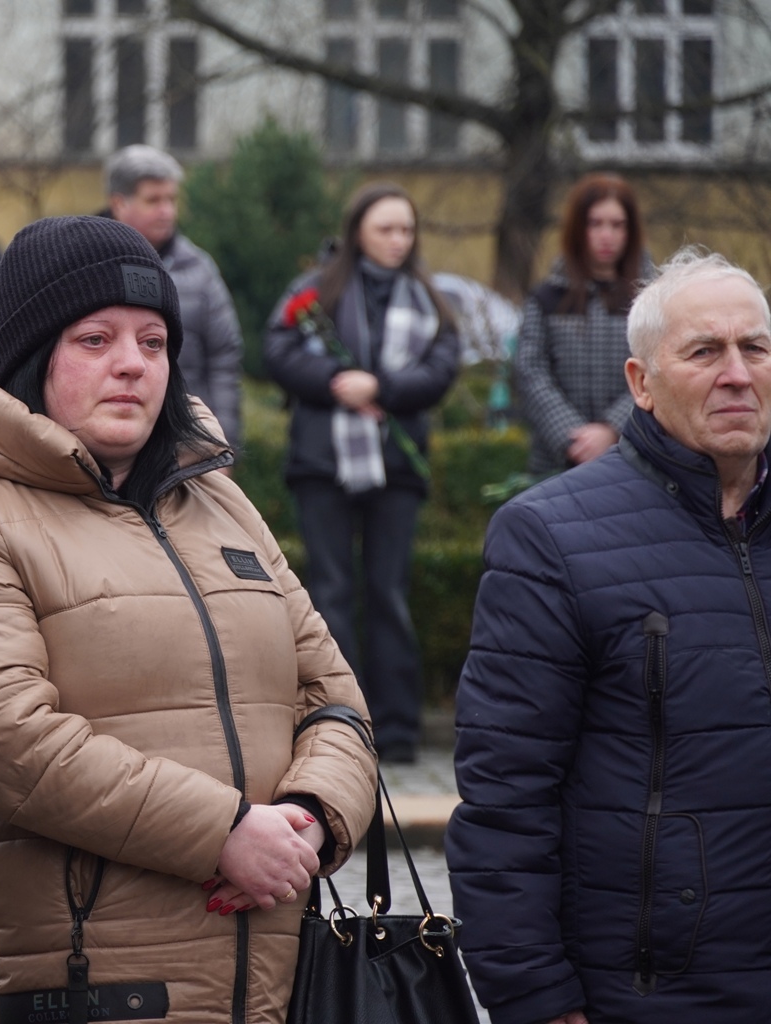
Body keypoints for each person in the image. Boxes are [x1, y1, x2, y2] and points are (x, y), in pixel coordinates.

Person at [0, 216, 377, 1023]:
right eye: (94, 339)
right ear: (30, 358)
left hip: (275, 983)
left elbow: (334, 697)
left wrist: (314, 819)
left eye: (153, 342)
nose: (132, 365)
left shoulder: (217, 499)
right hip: (92, 985)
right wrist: (223, 833)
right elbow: (13, 746)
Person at [446, 248, 771, 1024]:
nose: (737, 373)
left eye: (754, 347)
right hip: (648, 995)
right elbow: (504, 803)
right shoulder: (550, 539)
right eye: (704, 351)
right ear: (641, 385)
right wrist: (536, 1000)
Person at [264, 182, 461, 764]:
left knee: (389, 592)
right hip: (322, 462)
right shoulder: (314, 289)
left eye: (406, 230)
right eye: (386, 229)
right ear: (358, 233)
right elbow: (277, 350)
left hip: (396, 467)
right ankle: (339, 724)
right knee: (329, 593)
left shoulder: (428, 297)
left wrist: (383, 388)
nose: (398, 241)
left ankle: (396, 730)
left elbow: (444, 366)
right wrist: (333, 382)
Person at [106, 144, 244, 445]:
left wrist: (222, 442)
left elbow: (224, 357)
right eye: (153, 200)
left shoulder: (200, 268)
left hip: (185, 442)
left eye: (171, 199)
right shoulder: (83, 265)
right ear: (119, 204)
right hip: (107, 439)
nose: (166, 211)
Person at [516, 174, 648, 475]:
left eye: (617, 225)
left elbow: (658, 369)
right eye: (595, 223)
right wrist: (572, 435)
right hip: (558, 461)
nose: (606, 235)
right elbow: (530, 370)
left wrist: (612, 429)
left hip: (634, 458)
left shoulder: (651, 300)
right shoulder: (547, 297)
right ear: (578, 228)